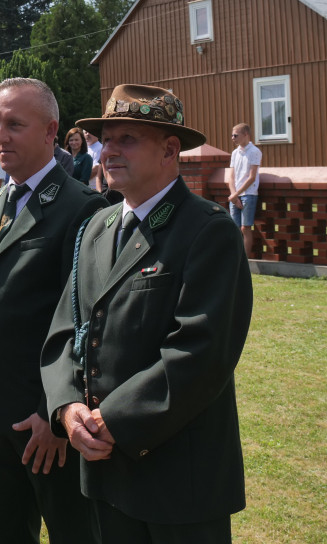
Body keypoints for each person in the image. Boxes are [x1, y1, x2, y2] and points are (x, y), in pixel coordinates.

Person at [41, 84, 254, 544]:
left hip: (178, 478)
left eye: (127, 139)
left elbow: (201, 352)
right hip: (104, 470)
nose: (108, 151)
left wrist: (110, 420)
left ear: (170, 149)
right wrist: (66, 407)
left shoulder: (206, 230)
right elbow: (66, 330)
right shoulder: (96, 226)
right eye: (106, 139)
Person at [0, 78, 107, 544]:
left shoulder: (82, 207)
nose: (0, 137)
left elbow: (84, 324)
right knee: (5, 531)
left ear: (50, 131)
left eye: (15, 124)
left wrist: (55, 413)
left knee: (73, 531)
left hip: (45, 420)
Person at [228, 122, 262, 258]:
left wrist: (236, 194)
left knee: (245, 227)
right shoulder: (235, 153)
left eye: (235, 135)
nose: (232, 138)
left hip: (249, 194)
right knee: (234, 228)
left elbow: (252, 177)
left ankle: (245, 259)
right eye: (232, 135)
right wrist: (233, 195)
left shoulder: (254, 152)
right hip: (235, 195)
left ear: (246, 134)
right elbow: (231, 176)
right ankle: (235, 257)